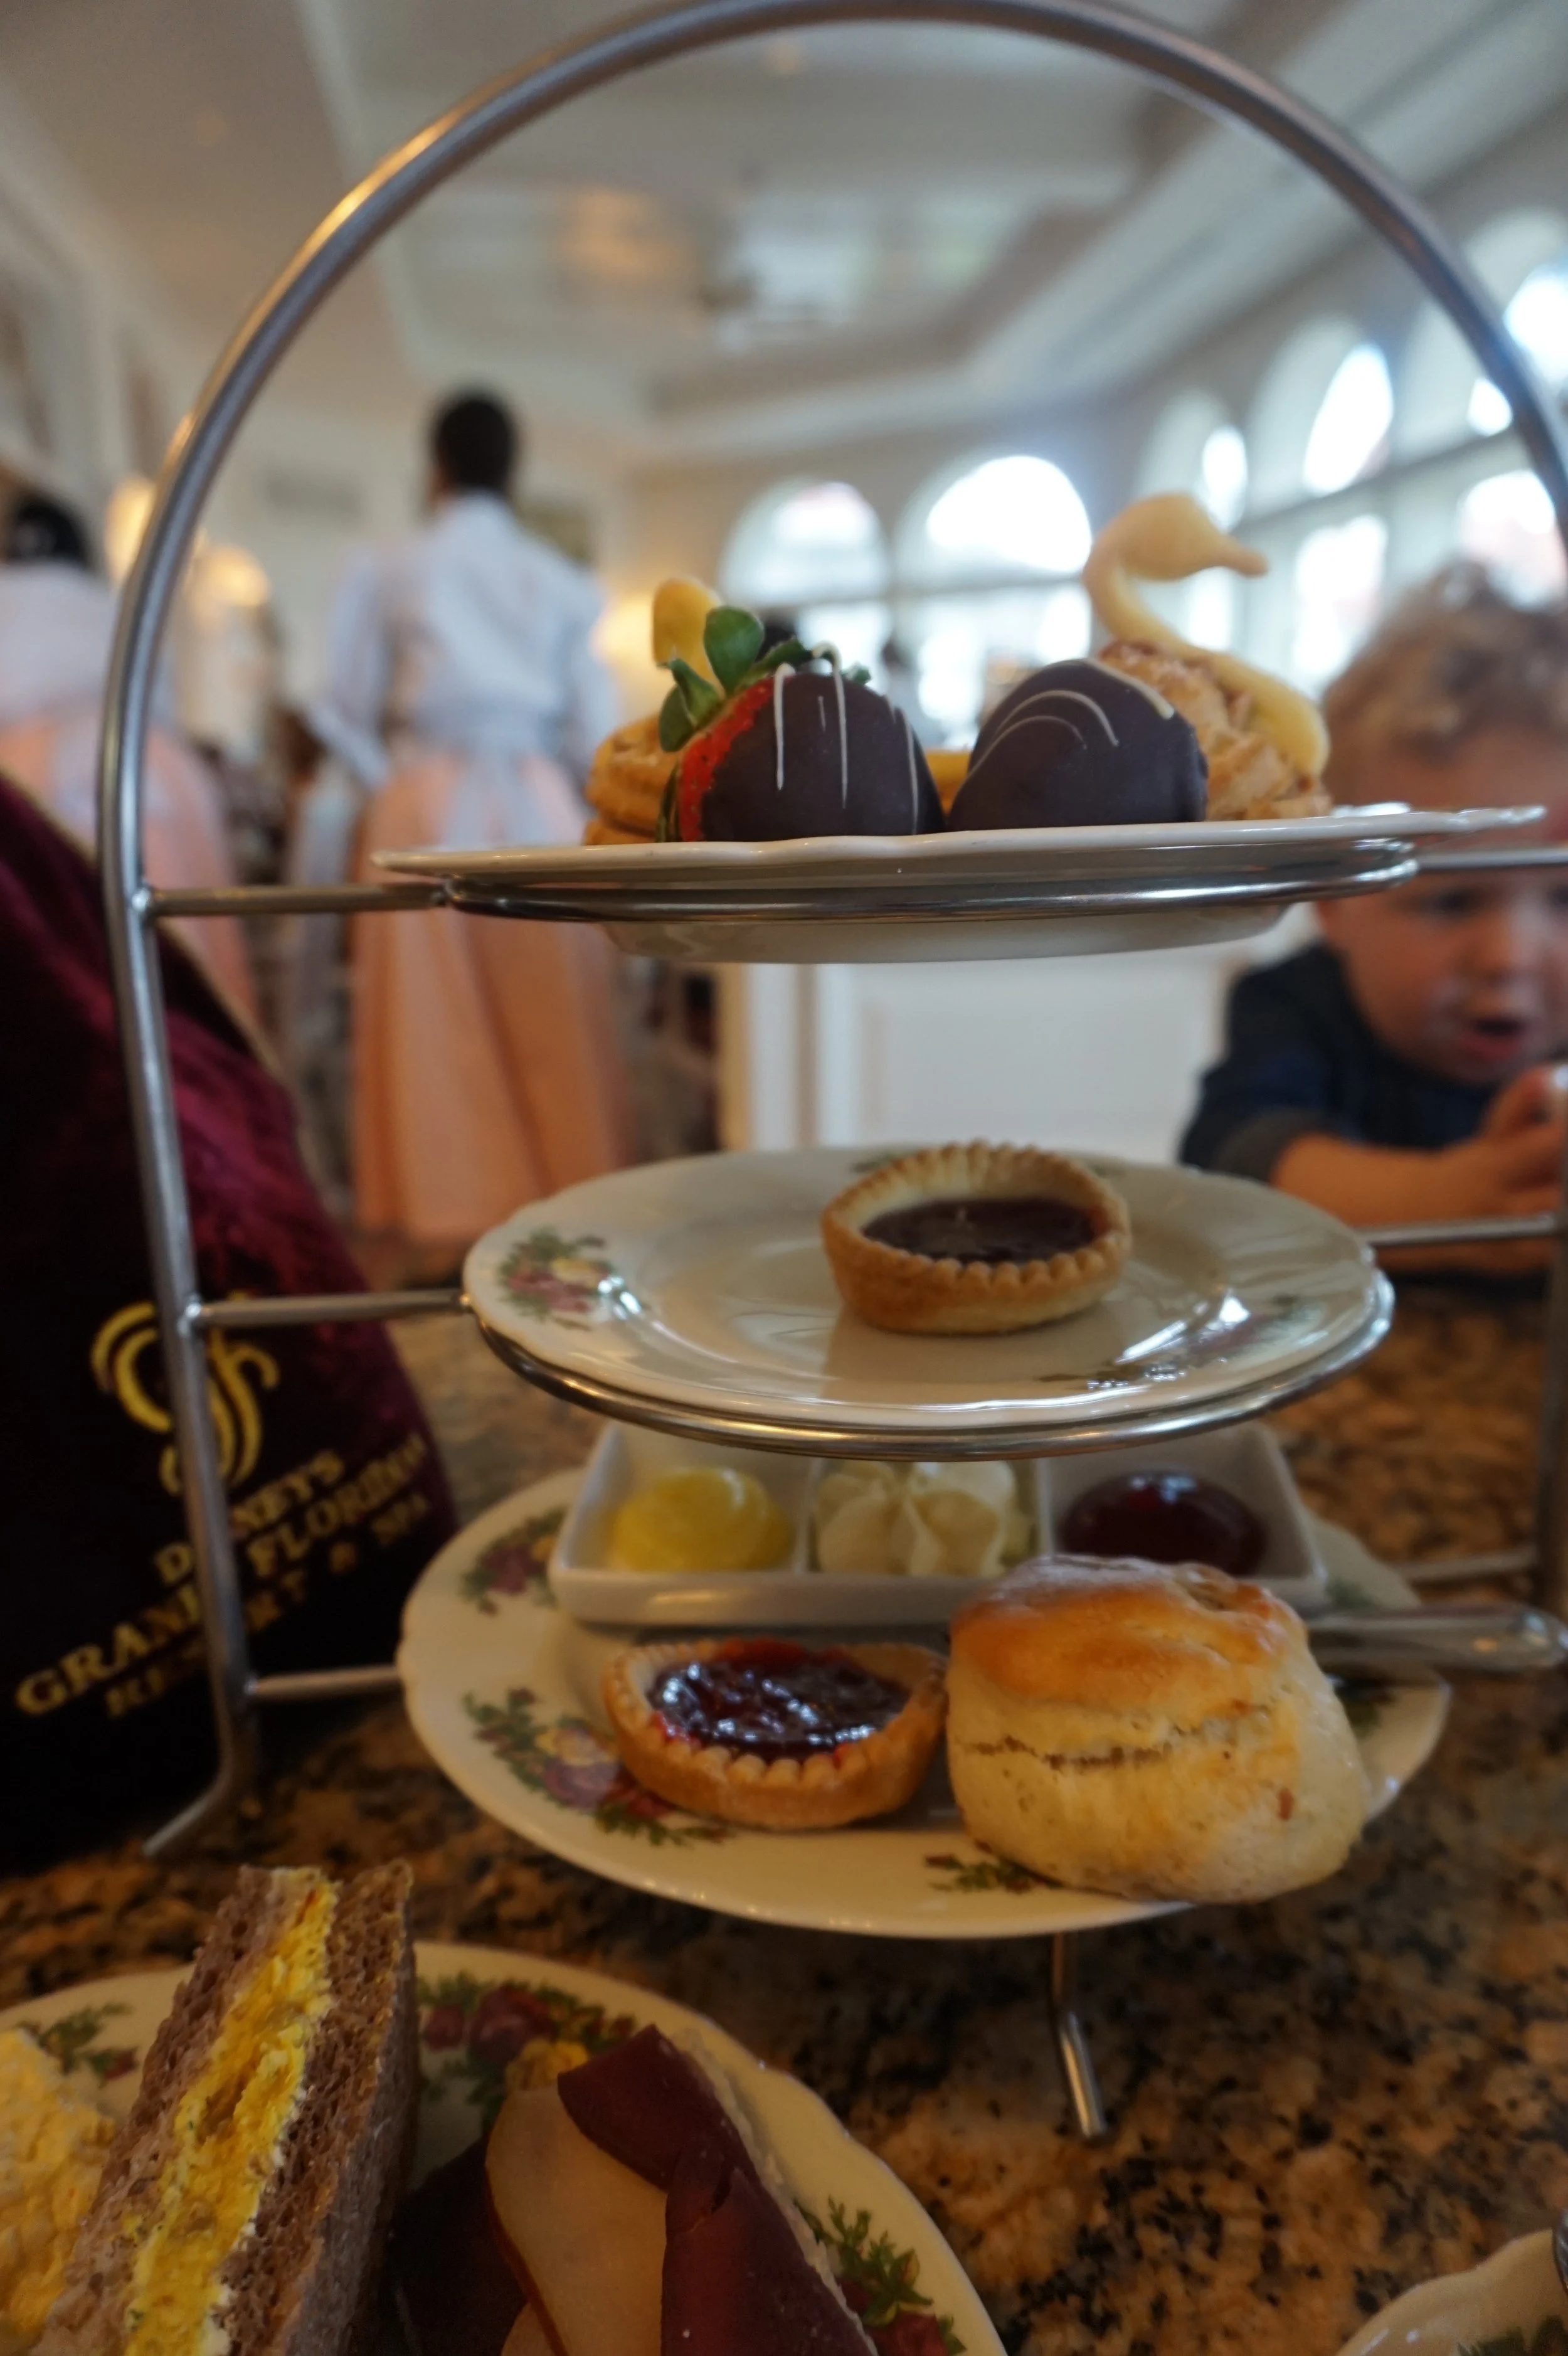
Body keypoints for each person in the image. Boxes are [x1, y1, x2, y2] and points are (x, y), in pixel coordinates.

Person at [314, 391, 633, 1271]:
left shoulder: (386, 564)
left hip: (423, 794)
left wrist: (396, 784)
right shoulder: (560, 582)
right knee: (555, 1000)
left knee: (429, 1016)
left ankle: (447, 1209)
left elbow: (338, 707)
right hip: (536, 795)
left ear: (437, 468)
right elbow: (590, 734)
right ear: (513, 472)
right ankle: (568, 1202)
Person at [1182, 566, 1568, 1266]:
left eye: (1564, 900)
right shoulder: (1296, 1010)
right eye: (1453, 900)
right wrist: (1452, 1201)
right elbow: (1238, 1167)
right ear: (1334, 900)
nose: (1509, 955)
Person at [0, 490, 255, 1016]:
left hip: (27, 778)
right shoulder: (112, 605)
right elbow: (162, 701)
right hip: (143, 769)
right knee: (185, 966)